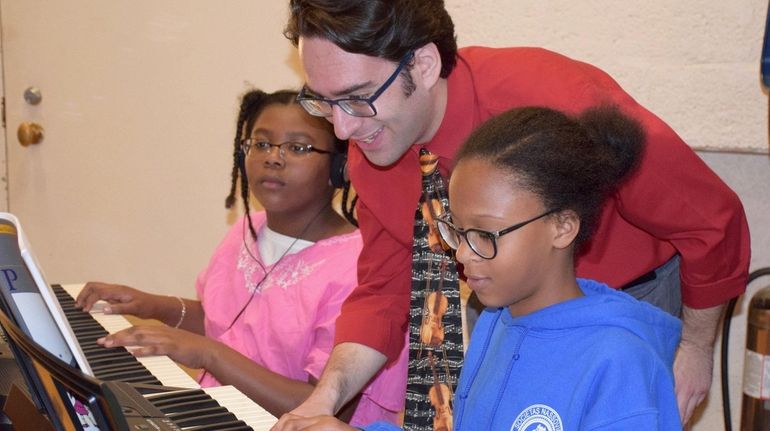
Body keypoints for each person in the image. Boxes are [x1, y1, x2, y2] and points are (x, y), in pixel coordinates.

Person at [275, 0, 751, 427]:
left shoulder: (558, 99)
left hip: (629, 306)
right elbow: (384, 287)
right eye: (324, 100)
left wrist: (693, 349)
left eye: (357, 97)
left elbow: (711, 220)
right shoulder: (372, 142)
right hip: (504, 308)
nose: (342, 127)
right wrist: (325, 400)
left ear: (421, 64)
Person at [276, 105, 683, 430]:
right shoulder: (496, 322)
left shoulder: (619, 362)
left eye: (486, 235)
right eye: (458, 232)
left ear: (562, 227)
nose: (464, 256)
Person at [75, 89, 406, 426]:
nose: (273, 158)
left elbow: (322, 406)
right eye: (261, 144)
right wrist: (153, 307)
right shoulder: (250, 230)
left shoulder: (359, 266)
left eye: (297, 147)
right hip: (222, 415)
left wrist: (208, 353)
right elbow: (223, 322)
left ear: (339, 168)